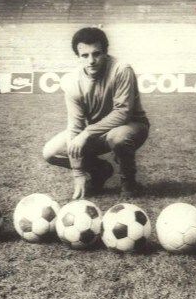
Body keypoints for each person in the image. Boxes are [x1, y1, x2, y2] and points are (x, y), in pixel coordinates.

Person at [42, 27, 149, 199]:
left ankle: (129, 182)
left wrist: (87, 133)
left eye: (96, 54)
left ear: (105, 53)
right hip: (95, 132)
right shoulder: (72, 81)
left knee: (118, 137)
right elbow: (75, 126)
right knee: (50, 152)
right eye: (84, 55)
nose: (91, 60)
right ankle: (100, 170)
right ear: (78, 56)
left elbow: (123, 113)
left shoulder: (121, 70)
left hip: (130, 126)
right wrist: (78, 173)